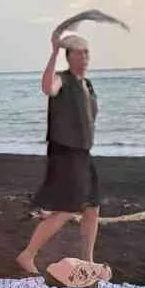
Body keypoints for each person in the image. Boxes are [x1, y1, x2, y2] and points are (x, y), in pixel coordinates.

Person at [16, 29, 101, 275]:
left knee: (93, 207)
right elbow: (47, 87)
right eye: (79, 53)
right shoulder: (62, 79)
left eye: (86, 53)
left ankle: (88, 261)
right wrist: (53, 52)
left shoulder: (88, 84)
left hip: (83, 153)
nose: (84, 57)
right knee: (67, 208)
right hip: (65, 153)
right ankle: (27, 255)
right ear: (69, 57)